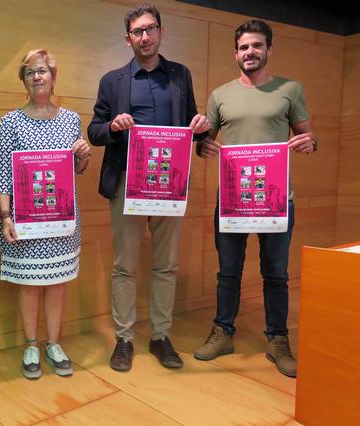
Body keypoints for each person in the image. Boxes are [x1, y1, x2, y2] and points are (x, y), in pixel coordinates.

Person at [87, 3, 210, 372]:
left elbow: (190, 129)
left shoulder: (180, 75)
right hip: (127, 181)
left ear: (160, 32)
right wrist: (112, 127)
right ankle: (124, 339)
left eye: (150, 29)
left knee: (166, 265)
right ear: (128, 39)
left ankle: (160, 336)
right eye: (137, 31)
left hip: (168, 183)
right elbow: (94, 131)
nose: (145, 36)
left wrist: (201, 128)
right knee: (124, 266)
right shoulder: (112, 81)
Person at [194, 19, 318, 378]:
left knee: (276, 274)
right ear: (236, 53)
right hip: (232, 199)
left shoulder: (290, 90)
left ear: (269, 49)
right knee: (227, 272)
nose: (250, 52)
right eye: (244, 47)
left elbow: (308, 138)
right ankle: (223, 331)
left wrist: (311, 144)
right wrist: (203, 147)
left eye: (257, 46)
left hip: (277, 199)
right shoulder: (219, 95)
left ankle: (277, 340)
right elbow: (207, 142)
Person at [0, 49, 91, 379]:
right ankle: (32, 344)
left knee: (58, 282)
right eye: (30, 72)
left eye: (43, 71)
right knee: (30, 284)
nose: (38, 76)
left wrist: (83, 155)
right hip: (24, 220)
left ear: (54, 76)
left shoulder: (72, 120)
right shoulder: (10, 122)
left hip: (62, 220)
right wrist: (6, 216)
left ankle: (54, 343)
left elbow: (77, 169)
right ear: (23, 80)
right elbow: (4, 172)